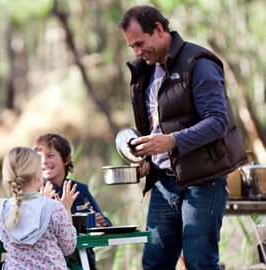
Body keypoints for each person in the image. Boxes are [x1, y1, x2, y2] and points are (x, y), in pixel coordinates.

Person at [118, 5, 248, 270]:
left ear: (159, 29)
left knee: (200, 264)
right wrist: (148, 159)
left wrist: (172, 141)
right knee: (154, 265)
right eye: (132, 47)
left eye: (140, 43)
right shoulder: (144, 71)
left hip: (204, 182)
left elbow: (218, 122)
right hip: (164, 185)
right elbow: (156, 128)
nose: (137, 52)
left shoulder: (198, 63)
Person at [33, 133, 112, 269]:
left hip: (82, 260)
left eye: (50, 155)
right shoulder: (34, 193)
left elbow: (107, 225)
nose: (44, 161)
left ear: (67, 159)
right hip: (46, 261)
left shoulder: (80, 190)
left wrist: (102, 223)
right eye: (39, 157)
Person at [0, 146, 79, 270]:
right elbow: (68, 247)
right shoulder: (54, 207)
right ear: (38, 176)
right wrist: (66, 209)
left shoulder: (0, 208)